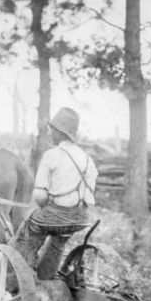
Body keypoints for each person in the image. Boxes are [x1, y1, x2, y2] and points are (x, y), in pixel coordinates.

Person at [12, 107, 98, 280]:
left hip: (54, 216)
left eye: (52, 130)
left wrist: (48, 205)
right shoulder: (88, 160)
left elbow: (39, 197)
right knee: (58, 243)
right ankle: (46, 277)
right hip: (79, 220)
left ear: (60, 132)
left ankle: (18, 276)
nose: (50, 133)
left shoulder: (52, 155)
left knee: (28, 231)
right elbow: (89, 198)